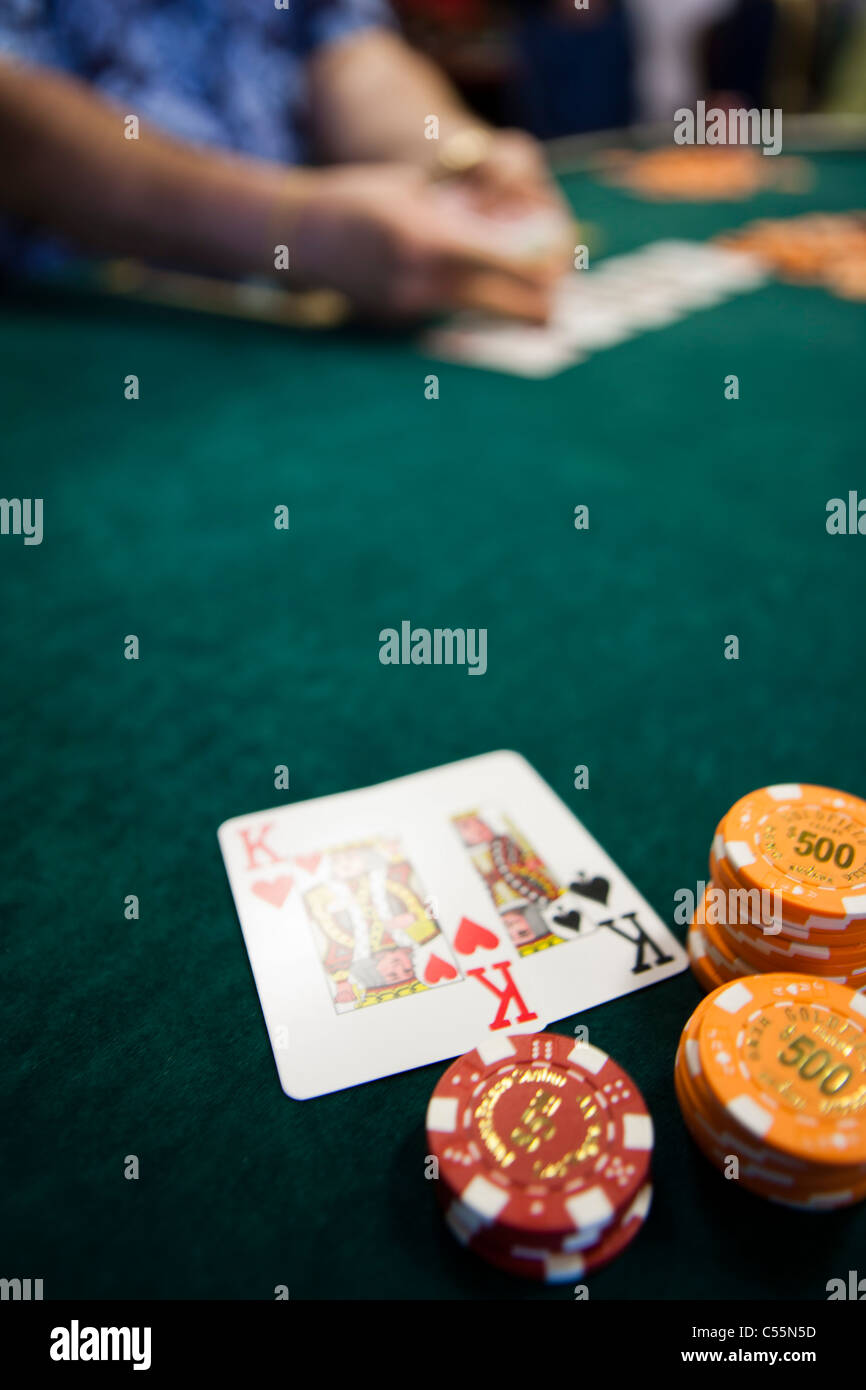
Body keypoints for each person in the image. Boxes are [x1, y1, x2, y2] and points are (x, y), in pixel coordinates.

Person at [0, 0, 572, 322]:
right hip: (60, 329)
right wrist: (289, 226)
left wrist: (456, 154)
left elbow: (346, 44)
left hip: (262, 320)